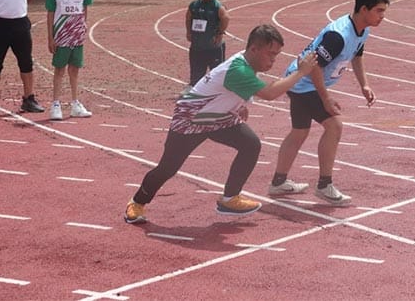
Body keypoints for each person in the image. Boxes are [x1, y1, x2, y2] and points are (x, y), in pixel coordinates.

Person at [124, 24, 318, 223]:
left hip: (219, 118)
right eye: (271, 54)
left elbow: (229, 90)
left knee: (250, 145)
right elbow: (269, 93)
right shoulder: (238, 69)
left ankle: (229, 199)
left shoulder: (248, 63)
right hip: (192, 119)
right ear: (254, 49)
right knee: (168, 168)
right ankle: (137, 203)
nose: (273, 60)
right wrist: (300, 72)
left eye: (276, 55)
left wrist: (239, 105)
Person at [268, 0, 391, 206]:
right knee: (334, 125)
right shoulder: (339, 36)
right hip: (303, 83)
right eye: (379, 11)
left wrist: (364, 85)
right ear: (364, 9)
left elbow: (357, 56)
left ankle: (278, 182)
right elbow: (315, 66)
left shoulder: (362, 30)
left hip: (300, 81)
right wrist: (325, 98)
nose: (383, 16)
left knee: (299, 132)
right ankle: (324, 185)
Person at [46, 0, 94, 120]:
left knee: (74, 69)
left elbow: (85, 7)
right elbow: (50, 12)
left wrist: (83, 27)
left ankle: (75, 104)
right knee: (59, 69)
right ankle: (55, 104)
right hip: (61, 34)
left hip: (77, 34)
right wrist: (50, 37)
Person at [185, 0, 229, 87]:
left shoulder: (217, 6)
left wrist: (220, 33)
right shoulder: (194, 5)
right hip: (197, 47)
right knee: (196, 75)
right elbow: (188, 17)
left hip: (213, 48)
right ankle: (195, 91)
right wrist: (188, 31)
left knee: (217, 76)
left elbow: (225, 18)